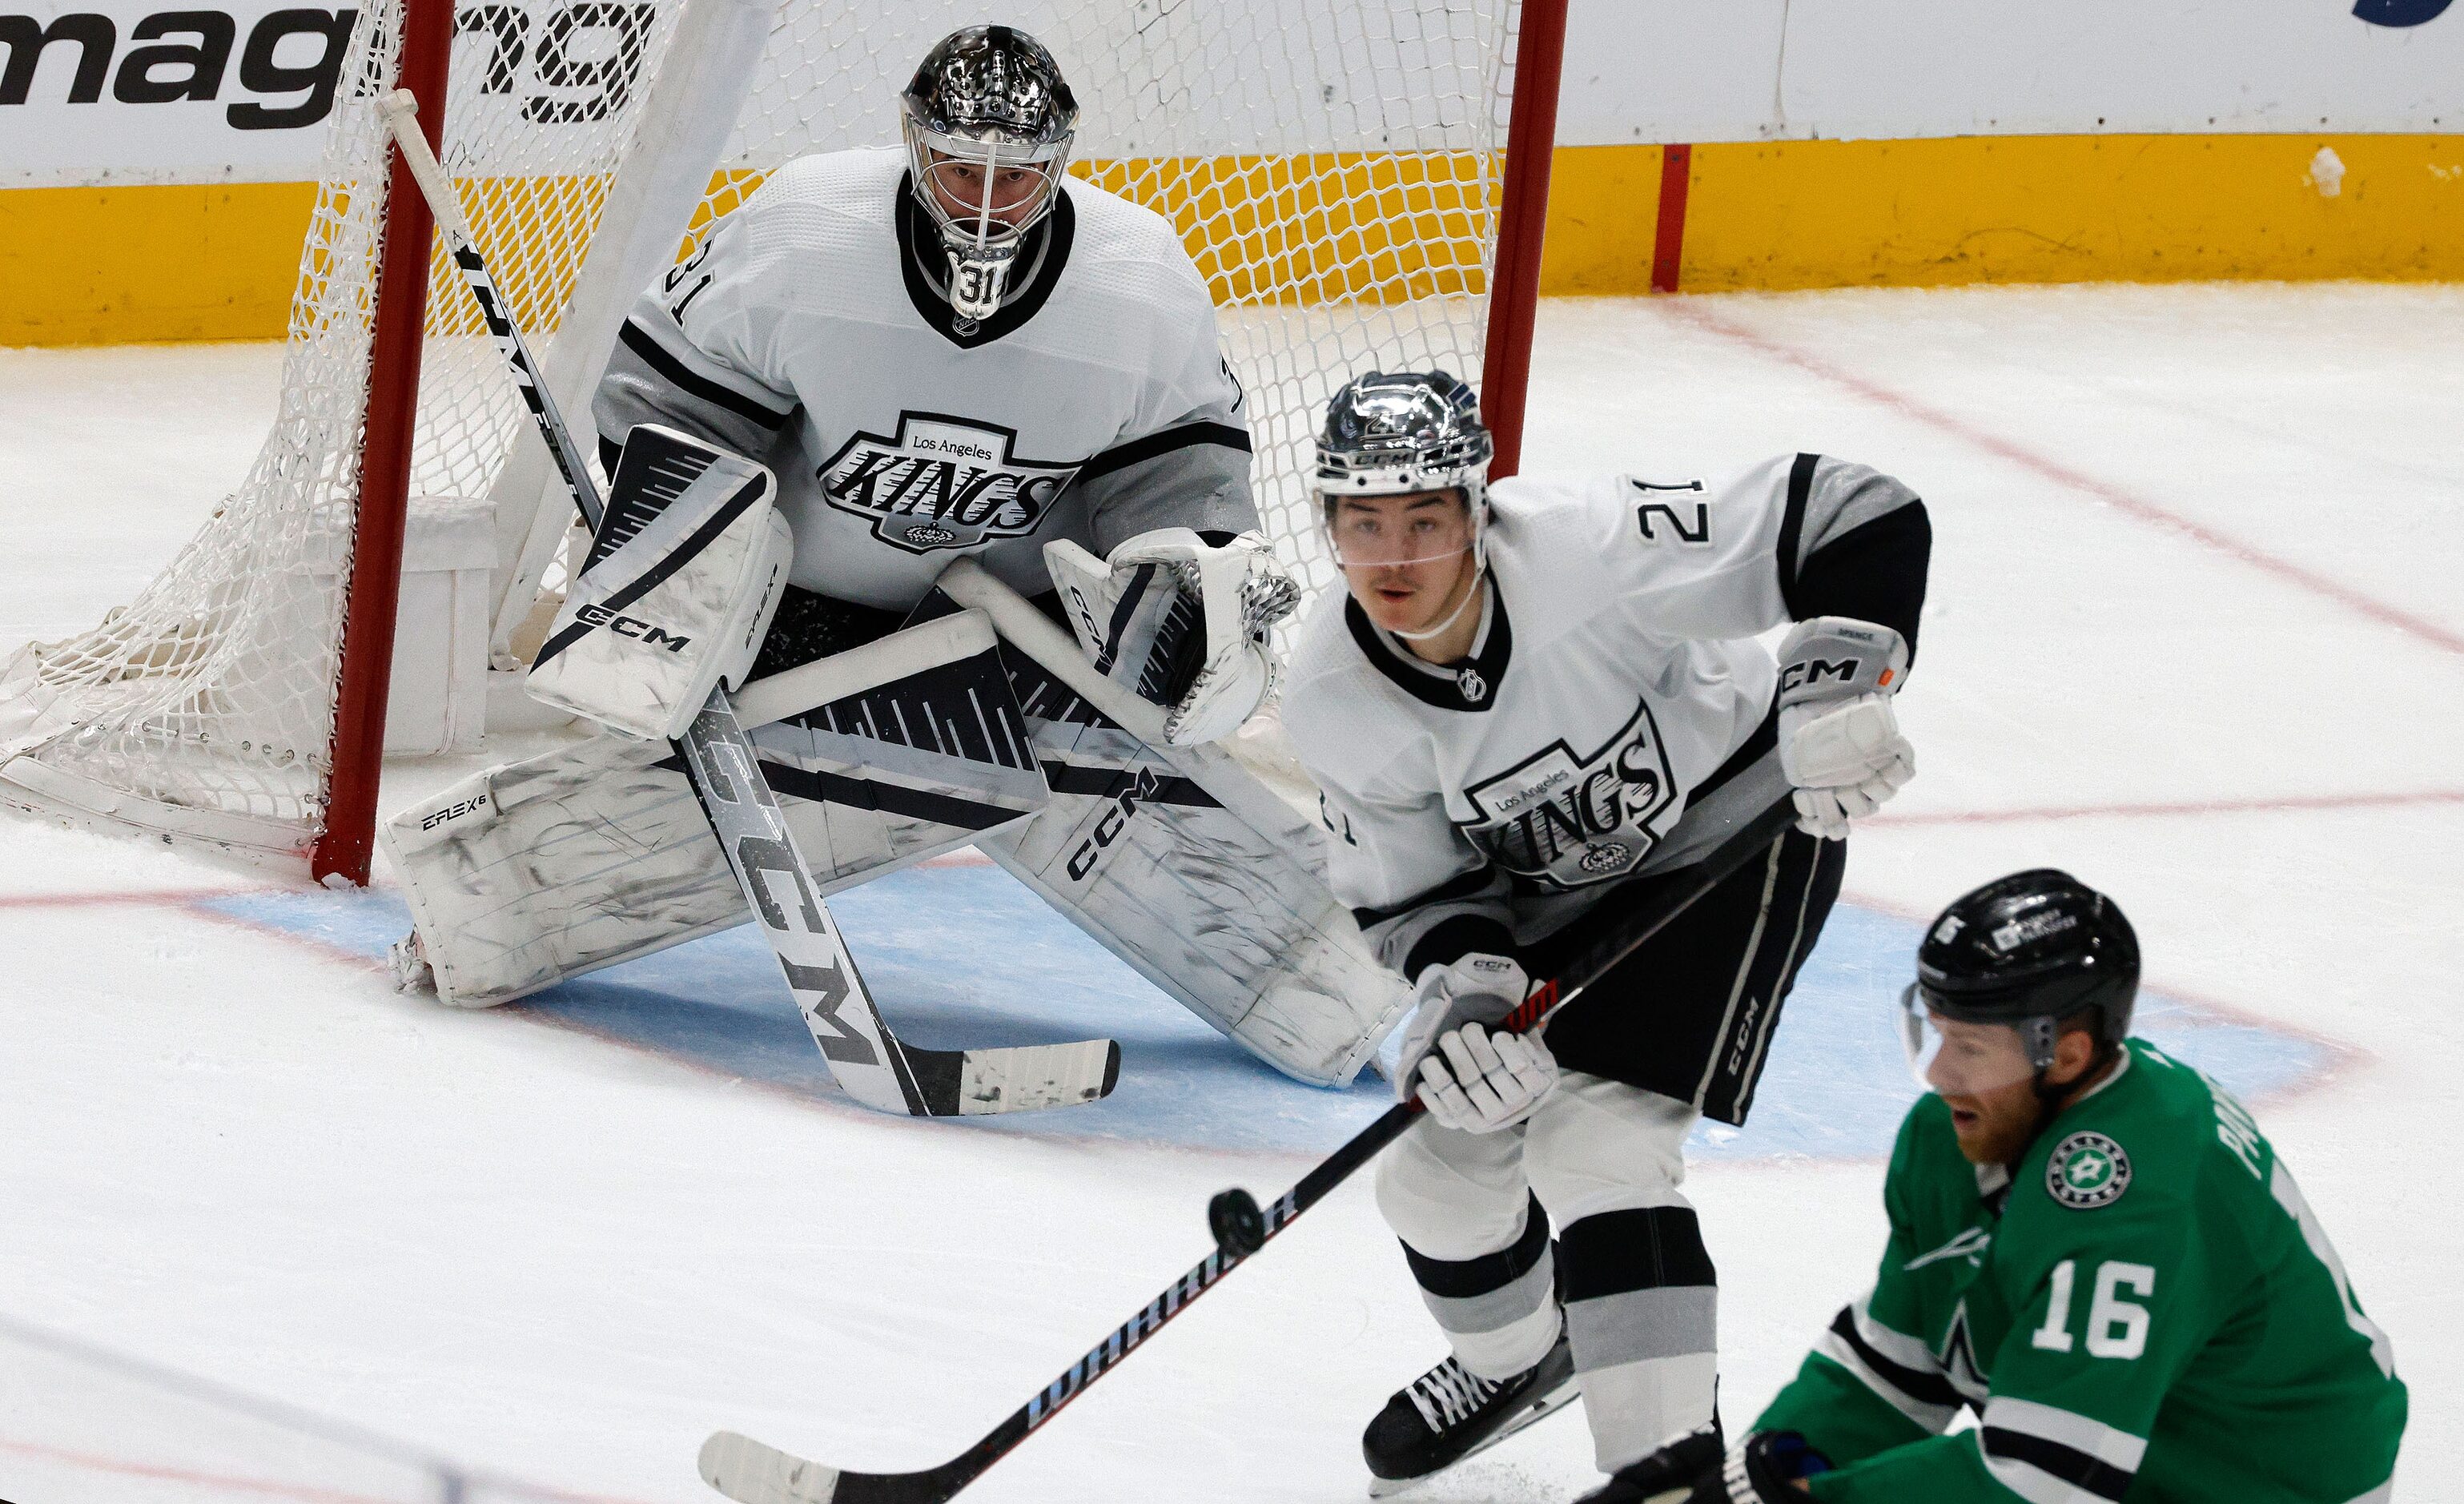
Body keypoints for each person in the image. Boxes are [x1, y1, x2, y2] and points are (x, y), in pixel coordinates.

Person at [376, 26, 1405, 1091]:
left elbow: (1178, 482)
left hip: (1016, 635)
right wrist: (687, 566)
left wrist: (1194, 580)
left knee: (1104, 726)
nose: (988, 202)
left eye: (1020, 179)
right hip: (796, 608)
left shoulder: (1137, 285)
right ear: (912, 146)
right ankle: (483, 903)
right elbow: (665, 403)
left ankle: (1336, 983)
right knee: (728, 736)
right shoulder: (806, 230)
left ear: (1062, 166)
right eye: (962, 169)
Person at [1275, 370, 1933, 1490]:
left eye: (1424, 519)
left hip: (1732, 838)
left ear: (1477, 512)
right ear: (1328, 527)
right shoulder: (1331, 697)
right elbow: (1413, 900)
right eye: (1363, 522)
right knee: (1432, 1176)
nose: (1394, 557)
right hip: (1553, 909)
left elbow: (1856, 510)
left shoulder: (1593, 546)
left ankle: (1663, 1472)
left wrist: (1835, 685)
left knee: (1599, 1148)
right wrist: (1470, 1002)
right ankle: (1521, 1360)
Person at [1608, 869, 2406, 1504]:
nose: (1939, 1074)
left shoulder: (2132, 1194)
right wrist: (1751, 1475)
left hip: (2267, 1488)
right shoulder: (1951, 1136)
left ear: (2062, 1055)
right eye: (1931, 1033)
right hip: (2123, 1459)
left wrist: (1808, 1502)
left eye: (1969, 1046)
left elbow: (2044, 1479)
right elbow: (1896, 1372)